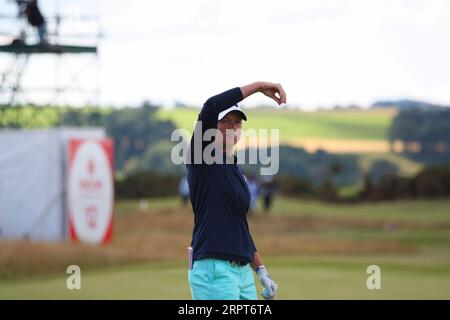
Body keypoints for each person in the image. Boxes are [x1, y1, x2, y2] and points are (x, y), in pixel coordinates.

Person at [186, 81, 286, 300]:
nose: (232, 127)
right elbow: (211, 105)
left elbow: (239, 227)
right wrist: (259, 87)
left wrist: (261, 271)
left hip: (242, 273)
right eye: (225, 122)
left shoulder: (235, 168)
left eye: (237, 123)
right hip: (213, 270)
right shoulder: (201, 156)